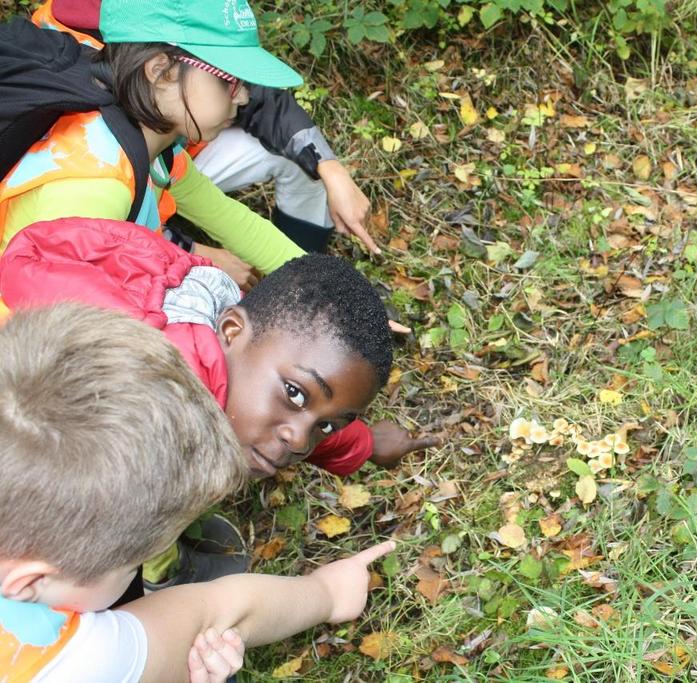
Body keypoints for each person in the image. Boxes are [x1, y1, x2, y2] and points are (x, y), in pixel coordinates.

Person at [0, 216, 437, 588]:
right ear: (230, 331)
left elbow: (306, 414)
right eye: (294, 394)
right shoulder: (147, 421)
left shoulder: (227, 342)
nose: (298, 441)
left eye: (328, 423)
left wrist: (364, 445)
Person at [0, 303, 395, 682]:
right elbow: (216, 614)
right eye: (132, 565)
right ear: (27, 582)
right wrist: (327, 592)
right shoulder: (72, 661)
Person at [32, 0, 377, 259]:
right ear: (159, 71)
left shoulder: (158, 149)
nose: (244, 95)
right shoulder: (95, 183)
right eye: (231, 83)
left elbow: (233, 220)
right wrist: (196, 256)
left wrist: (328, 294)